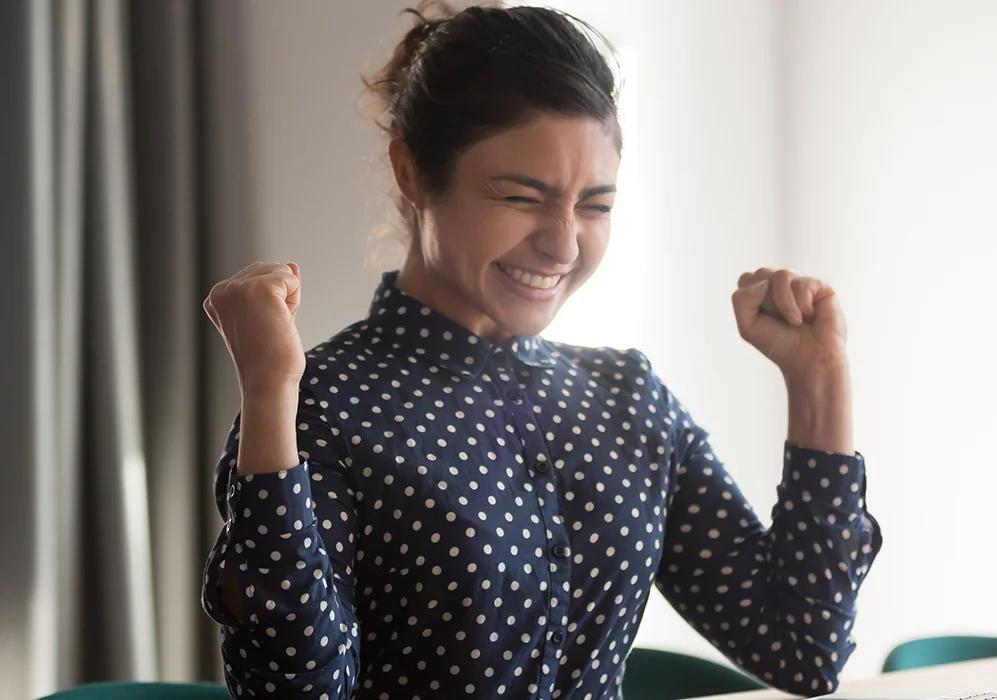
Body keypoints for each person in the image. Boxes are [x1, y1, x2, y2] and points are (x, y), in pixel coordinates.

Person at [199, 3, 882, 698]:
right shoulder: (324, 406)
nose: (563, 245)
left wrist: (818, 379)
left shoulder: (628, 400)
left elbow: (803, 648)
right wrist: (269, 391)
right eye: (523, 197)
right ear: (411, 171)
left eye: (595, 205)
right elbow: (297, 692)